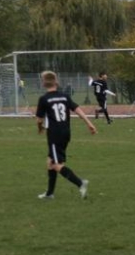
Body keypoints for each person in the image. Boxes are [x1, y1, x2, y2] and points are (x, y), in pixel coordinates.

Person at [35, 70, 96, 200]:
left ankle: (80, 183)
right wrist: (89, 123)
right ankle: (49, 193)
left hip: (54, 134)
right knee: (50, 161)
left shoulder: (44, 99)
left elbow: (39, 119)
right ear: (56, 82)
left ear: (43, 83)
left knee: (56, 164)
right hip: (66, 132)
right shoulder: (64, 96)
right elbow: (77, 109)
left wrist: (40, 128)